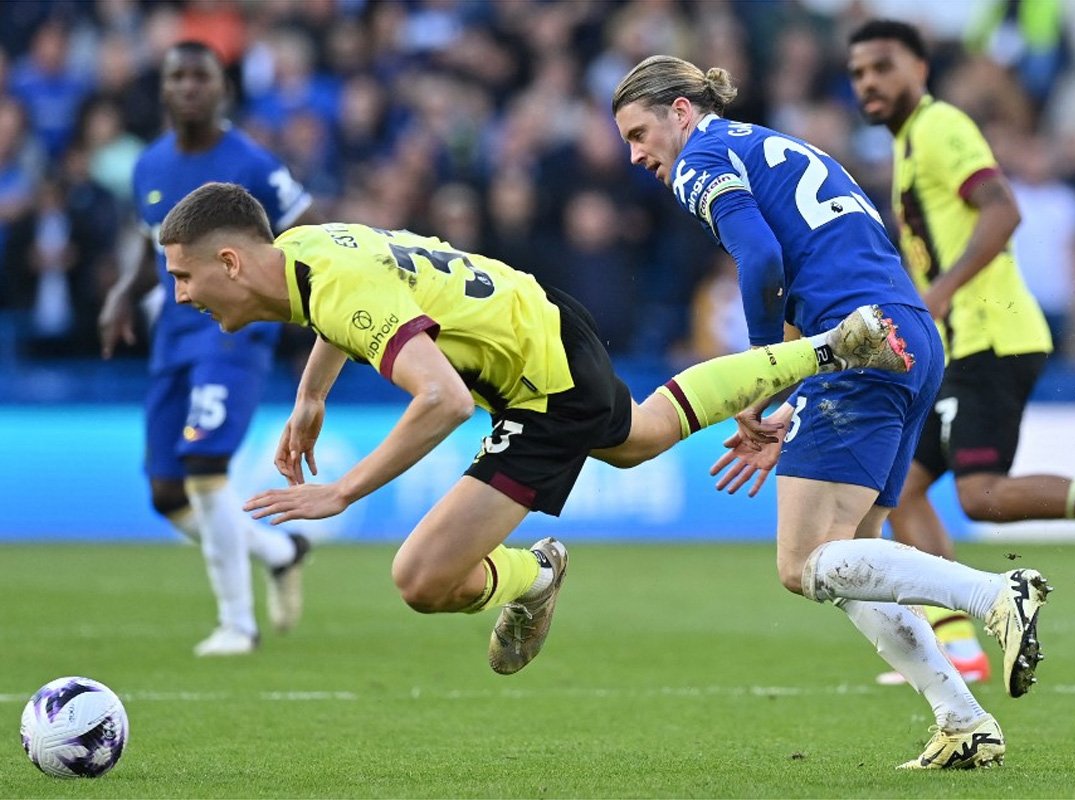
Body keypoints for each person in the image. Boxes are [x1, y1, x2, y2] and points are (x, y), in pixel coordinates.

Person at [156, 181, 913, 679]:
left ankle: (535, 574)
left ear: (229, 261)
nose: (182, 295)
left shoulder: (333, 286)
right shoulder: (307, 248)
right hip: (537, 319)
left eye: (184, 276)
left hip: (539, 381)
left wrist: (343, 493)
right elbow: (354, 303)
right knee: (639, 436)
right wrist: (311, 395)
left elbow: (442, 401)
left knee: (421, 579)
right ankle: (827, 346)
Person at [612, 54, 1051, 770]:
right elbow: (828, 256)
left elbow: (760, 261)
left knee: (801, 564)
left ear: (681, 112)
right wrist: (789, 393)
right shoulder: (774, 144)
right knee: (855, 563)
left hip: (857, 345)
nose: (635, 155)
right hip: (906, 335)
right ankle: (962, 720)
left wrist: (760, 373)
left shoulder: (703, 159)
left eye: (638, 132)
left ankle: (995, 594)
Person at [846, 18, 1075, 686]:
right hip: (960, 345)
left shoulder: (940, 127)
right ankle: (961, 648)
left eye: (883, 66)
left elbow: (1003, 210)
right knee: (898, 493)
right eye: (859, 72)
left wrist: (944, 290)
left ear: (920, 70)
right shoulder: (911, 146)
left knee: (979, 496)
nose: (869, 81)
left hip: (991, 337)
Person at [97, 41, 320, 657]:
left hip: (236, 331)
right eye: (179, 77)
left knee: (203, 470)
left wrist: (306, 314)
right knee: (167, 493)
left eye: (203, 77)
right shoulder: (149, 165)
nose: (190, 87)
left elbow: (309, 230)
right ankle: (279, 551)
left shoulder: (251, 163)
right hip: (173, 330)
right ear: (164, 88)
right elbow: (153, 252)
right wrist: (121, 295)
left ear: (223, 88)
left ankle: (237, 626)